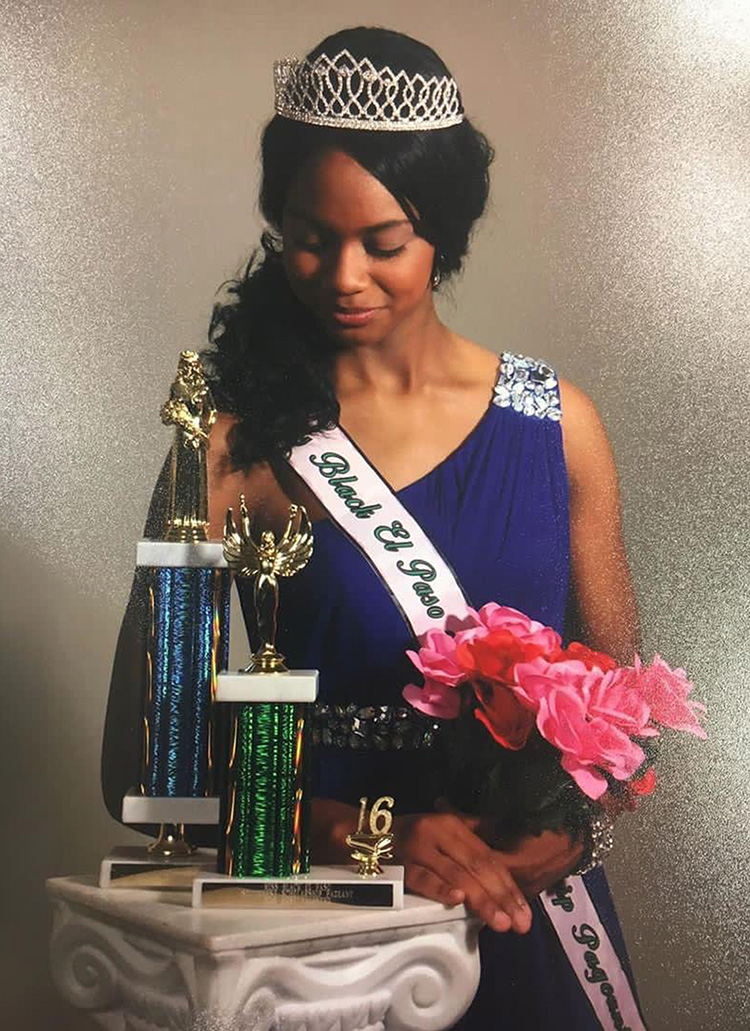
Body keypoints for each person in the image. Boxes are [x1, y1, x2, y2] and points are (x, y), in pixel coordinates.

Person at [102, 25, 646, 1030]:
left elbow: (622, 718)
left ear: (444, 232)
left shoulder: (560, 424)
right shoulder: (223, 446)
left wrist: (557, 837)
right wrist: (368, 833)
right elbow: (142, 763)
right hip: (314, 940)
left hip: (525, 925)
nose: (343, 274)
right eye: (310, 236)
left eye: (383, 243)